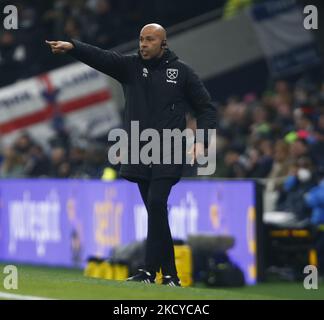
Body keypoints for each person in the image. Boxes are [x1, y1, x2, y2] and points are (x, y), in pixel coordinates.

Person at [46, 23, 216, 286]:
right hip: (139, 150)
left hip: (169, 149)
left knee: (157, 204)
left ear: (163, 43)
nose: (143, 44)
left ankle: (149, 271)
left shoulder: (182, 73)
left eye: (149, 40)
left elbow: (206, 109)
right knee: (155, 212)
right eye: (141, 39)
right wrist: (73, 48)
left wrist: (201, 141)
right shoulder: (131, 68)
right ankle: (170, 275)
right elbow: (102, 57)